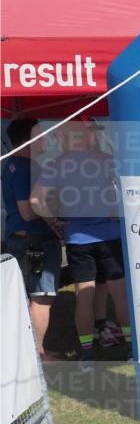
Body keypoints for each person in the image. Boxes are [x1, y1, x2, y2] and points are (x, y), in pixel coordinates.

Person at [31, 119, 130, 371]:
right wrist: (117, 210)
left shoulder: (54, 165)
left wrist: (52, 221)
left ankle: (86, 355)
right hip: (110, 237)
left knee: (83, 297)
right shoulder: (106, 160)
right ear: (86, 136)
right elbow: (129, 190)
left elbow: (35, 200)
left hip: (77, 240)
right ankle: (132, 349)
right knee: (120, 294)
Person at [2, 120, 64, 360]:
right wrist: (53, 220)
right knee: (41, 297)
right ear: (28, 139)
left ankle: (28, 354)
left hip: (22, 238)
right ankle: (36, 356)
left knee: (27, 297)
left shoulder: (12, 165)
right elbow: (28, 211)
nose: (45, 139)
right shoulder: (25, 167)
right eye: (40, 134)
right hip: (34, 241)